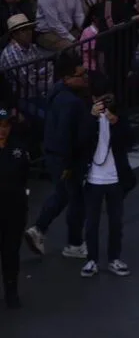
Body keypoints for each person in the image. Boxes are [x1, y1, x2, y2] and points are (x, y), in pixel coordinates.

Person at [23, 53, 89, 259]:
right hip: (66, 158)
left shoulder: (57, 94)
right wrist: (69, 162)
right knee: (75, 199)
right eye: (80, 74)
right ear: (67, 78)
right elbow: (67, 134)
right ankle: (74, 243)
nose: (85, 78)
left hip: (56, 155)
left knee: (62, 195)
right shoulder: (73, 103)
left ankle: (39, 230)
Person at [81, 77, 136, 278]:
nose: (105, 103)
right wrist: (91, 118)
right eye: (101, 99)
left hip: (115, 175)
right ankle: (92, 260)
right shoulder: (86, 114)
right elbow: (79, 140)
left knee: (116, 221)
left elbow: (131, 140)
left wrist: (116, 122)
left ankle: (114, 258)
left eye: (108, 99)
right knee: (92, 222)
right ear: (94, 98)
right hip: (94, 176)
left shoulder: (119, 112)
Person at [0, 106, 29, 308]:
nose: (2, 130)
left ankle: (11, 290)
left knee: (11, 252)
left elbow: (22, 176)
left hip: (13, 210)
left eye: (5, 126)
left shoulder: (18, 149)